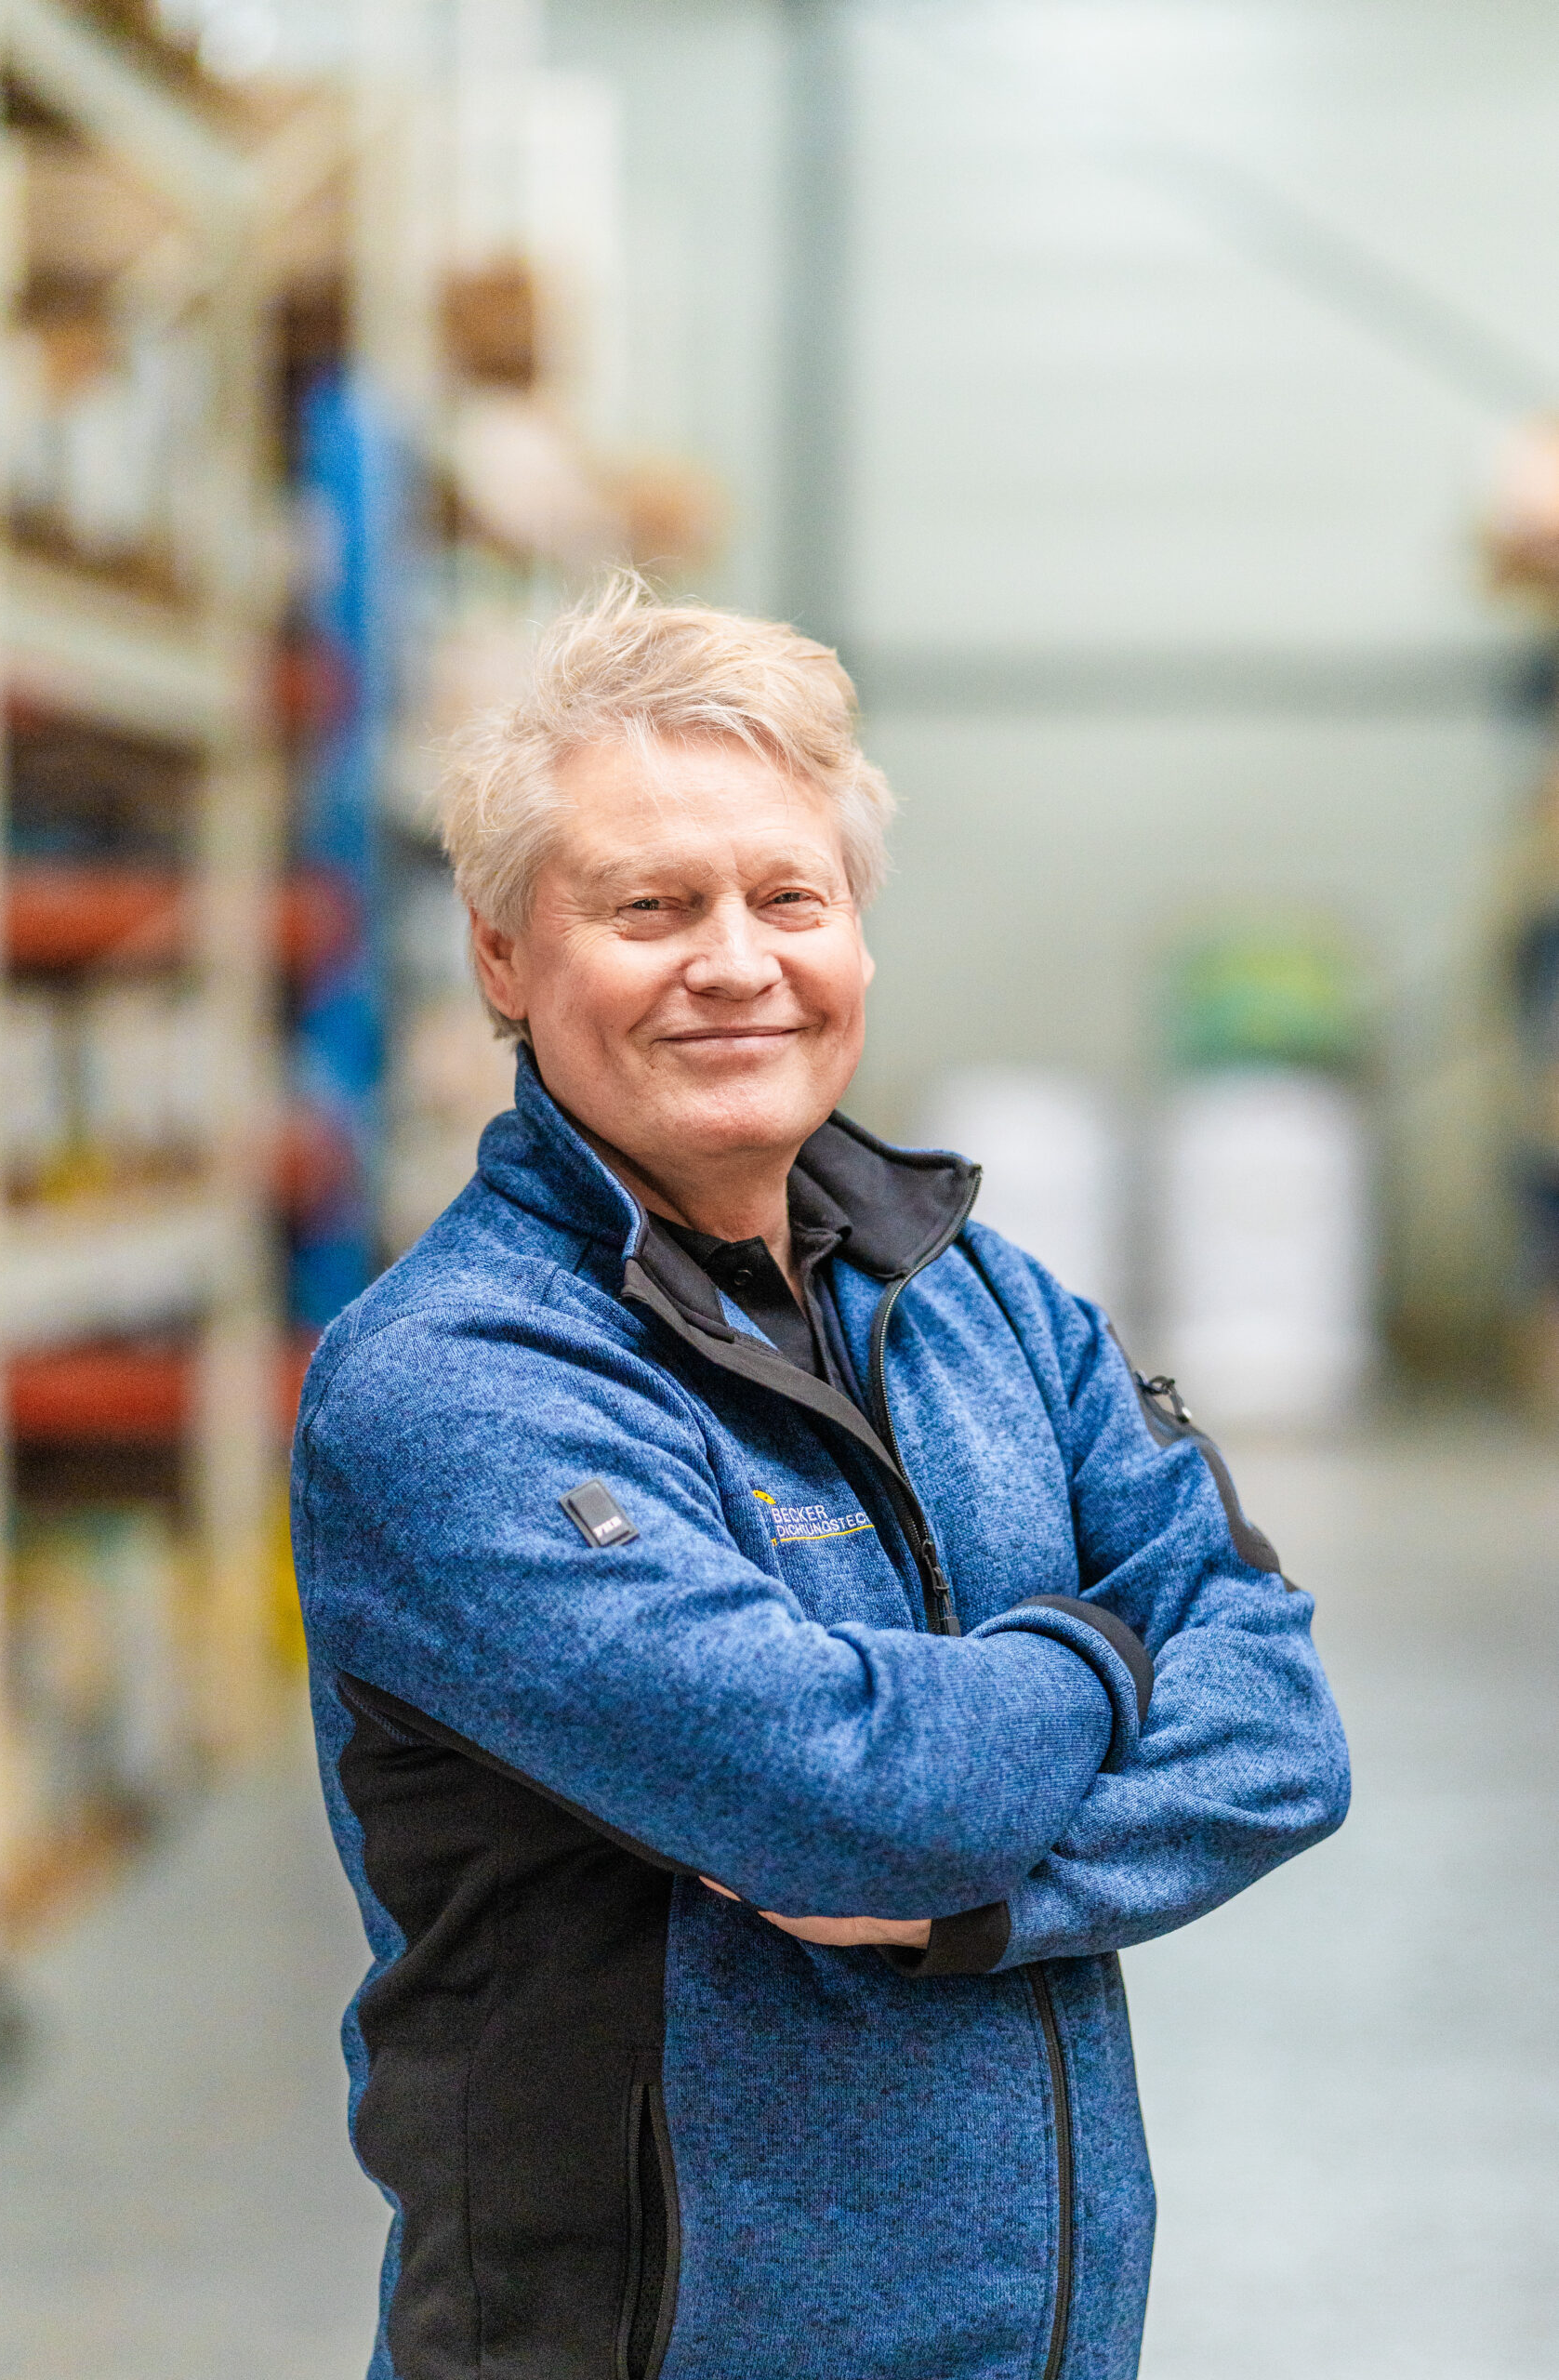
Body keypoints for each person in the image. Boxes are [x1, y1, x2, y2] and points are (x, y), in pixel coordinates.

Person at [293, 573, 1349, 2380]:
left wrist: (1000, 1892)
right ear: (498, 950)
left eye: (788, 894)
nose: (732, 958)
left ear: (854, 928)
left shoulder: (980, 1298)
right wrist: (1099, 1651)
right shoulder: (457, 1383)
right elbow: (847, 1797)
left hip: (1033, 2335)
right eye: (646, 904)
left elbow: (1280, 1721)